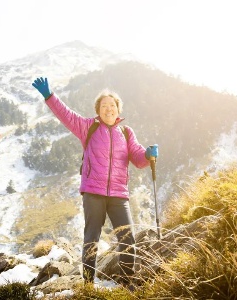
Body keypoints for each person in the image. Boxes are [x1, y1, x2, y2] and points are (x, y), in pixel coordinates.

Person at [32, 77, 158, 285]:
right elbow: (67, 115)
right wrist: (49, 96)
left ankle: (127, 282)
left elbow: (137, 158)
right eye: (104, 105)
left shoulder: (126, 133)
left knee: (128, 238)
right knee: (92, 238)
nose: (108, 109)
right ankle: (88, 283)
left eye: (112, 105)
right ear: (98, 110)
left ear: (118, 109)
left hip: (119, 194)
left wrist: (148, 154)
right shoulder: (88, 127)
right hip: (93, 192)